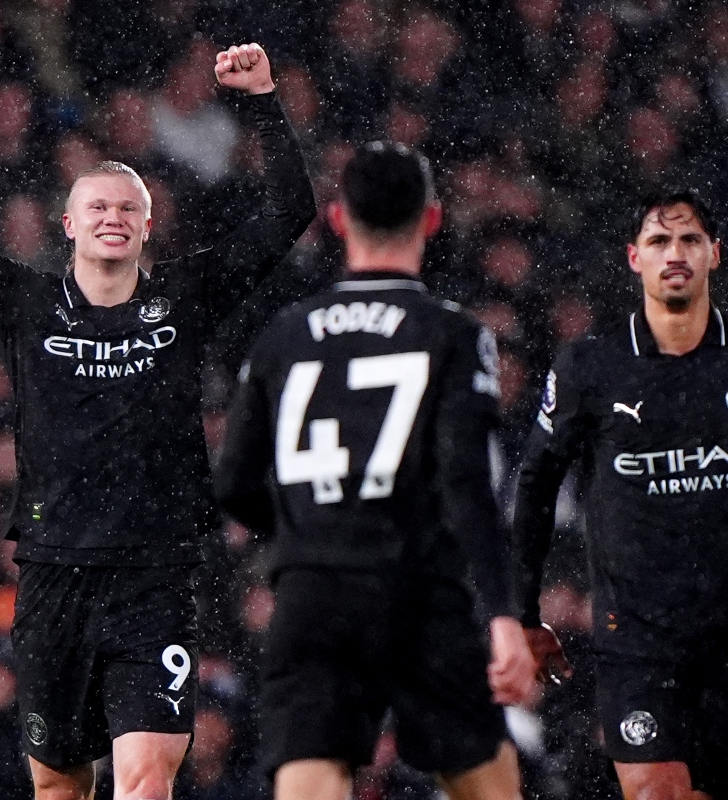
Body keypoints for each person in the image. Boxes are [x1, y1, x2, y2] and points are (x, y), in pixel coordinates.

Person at [0, 31, 315, 800]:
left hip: (154, 580)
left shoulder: (184, 300)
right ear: (68, 224)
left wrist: (263, 99)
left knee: (146, 781)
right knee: (59, 788)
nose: (113, 216)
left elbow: (291, 209)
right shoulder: (26, 303)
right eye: (97, 206)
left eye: (129, 207)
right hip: (52, 577)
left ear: (148, 226)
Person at [214, 141, 534, 800]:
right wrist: (502, 614)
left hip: (314, 590)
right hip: (418, 584)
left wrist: (309, 534)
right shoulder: (452, 332)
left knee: (310, 765)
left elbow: (235, 485)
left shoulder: (284, 335)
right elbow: (465, 484)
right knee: (483, 771)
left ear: (337, 219)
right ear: (432, 219)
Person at [514, 189, 728, 800]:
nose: (675, 253)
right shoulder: (591, 366)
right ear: (634, 257)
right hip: (634, 638)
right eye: (659, 240)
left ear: (714, 253)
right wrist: (524, 612)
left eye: (690, 239)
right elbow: (535, 485)